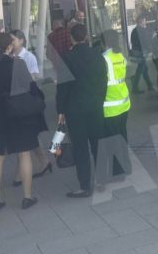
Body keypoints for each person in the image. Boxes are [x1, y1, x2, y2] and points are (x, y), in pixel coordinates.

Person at [0, 32, 42, 213]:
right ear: (9, 47)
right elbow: (30, 87)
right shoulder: (18, 63)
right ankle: (27, 197)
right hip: (19, 113)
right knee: (24, 153)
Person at [56, 24, 107, 198]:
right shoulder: (98, 55)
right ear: (86, 36)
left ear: (71, 38)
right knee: (98, 143)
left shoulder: (67, 58)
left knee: (80, 147)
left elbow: (63, 87)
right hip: (95, 107)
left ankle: (85, 186)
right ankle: (101, 180)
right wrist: (100, 99)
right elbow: (104, 79)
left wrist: (61, 109)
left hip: (75, 109)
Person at [9, 30, 52, 185]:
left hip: (26, 102)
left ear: (21, 40)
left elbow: (33, 79)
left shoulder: (29, 57)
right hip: (16, 102)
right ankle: (44, 162)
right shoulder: (9, 57)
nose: (10, 42)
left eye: (13, 39)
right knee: (29, 136)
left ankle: (20, 173)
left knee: (25, 137)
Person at [100, 30, 131, 177]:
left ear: (103, 42)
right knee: (122, 135)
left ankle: (118, 170)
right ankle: (126, 165)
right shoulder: (120, 55)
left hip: (110, 105)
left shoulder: (104, 59)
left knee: (113, 138)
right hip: (123, 102)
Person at [129, 14, 155, 94]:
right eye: (144, 21)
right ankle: (134, 87)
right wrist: (150, 50)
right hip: (142, 53)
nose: (145, 22)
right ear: (140, 22)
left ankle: (149, 85)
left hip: (138, 52)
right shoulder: (141, 30)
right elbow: (146, 41)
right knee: (140, 70)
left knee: (144, 69)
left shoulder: (134, 30)